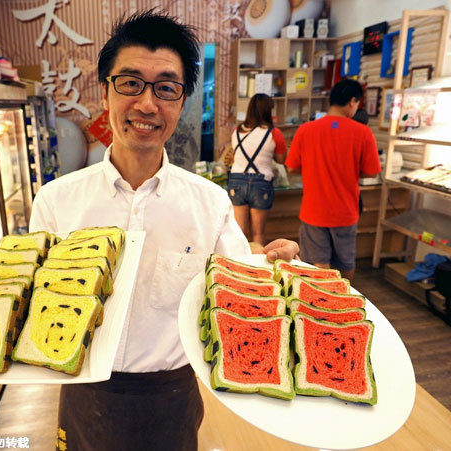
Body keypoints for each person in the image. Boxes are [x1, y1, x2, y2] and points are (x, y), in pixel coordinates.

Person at [29, 10, 299, 451]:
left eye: (166, 88)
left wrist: (274, 266)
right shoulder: (56, 201)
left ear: (181, 100)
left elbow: (236, 281)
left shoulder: (209, 201)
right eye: (130, 83)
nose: (147, 104)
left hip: (171, 395)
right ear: (106, 91)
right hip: (83, 389)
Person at [285, 79, 381, 281]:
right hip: (345, 211)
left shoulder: (305, 130)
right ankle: (343, 304)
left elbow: (291, 167)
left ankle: (318, 306)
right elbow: (372, 172)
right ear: (353, 102)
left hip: (314, 211)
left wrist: (314, 168)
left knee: (317, 264)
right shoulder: (363, 133)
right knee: (345, 265)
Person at [227, 93, 287, 244]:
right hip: (261, 183)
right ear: (268, 111)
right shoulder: (274, 133)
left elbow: (236, 154)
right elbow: (281, 160)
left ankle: (237, 265)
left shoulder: (237, 131)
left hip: (236, 180)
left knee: (239, 233)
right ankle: (256, 266)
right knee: (258, 233)